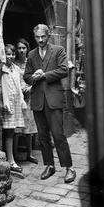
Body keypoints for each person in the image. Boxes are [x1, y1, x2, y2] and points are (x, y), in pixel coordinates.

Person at [23, 24, 76, 184]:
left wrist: (44, 75)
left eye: (43, 37)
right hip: (38, 101)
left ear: (49, 35)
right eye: (37, 37)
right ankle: (49, 165)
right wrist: (34, 77)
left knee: (58, 135)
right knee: (43, 137)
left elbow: (63, 70)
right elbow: (26, 76)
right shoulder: (32, 55)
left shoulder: (58, 50)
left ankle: (69, 168)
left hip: (54, 100)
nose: (40, 40)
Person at [1, 43, 27, 175]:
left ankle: (11, 157)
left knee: (12, 130)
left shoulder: (15, 69)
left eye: (12, 54)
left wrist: (22, 99)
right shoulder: (2, 68)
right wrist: (5, 102)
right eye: (7, 54)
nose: (10, 56)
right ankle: (10, 160)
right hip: (7, 103)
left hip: (15, 102)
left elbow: (19, 85)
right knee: (8, 131)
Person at [14, 38, 38, 165]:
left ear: (27, 49)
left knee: (29, 126)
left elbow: (36, 78)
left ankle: (29, 153)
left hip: (29, 97)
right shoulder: (14, 63)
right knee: (17, 127)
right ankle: (15, 154)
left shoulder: (31, 62)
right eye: (19, 48)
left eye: (23, 48)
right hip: (18, 97)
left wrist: (30, 88)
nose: (21, 50)